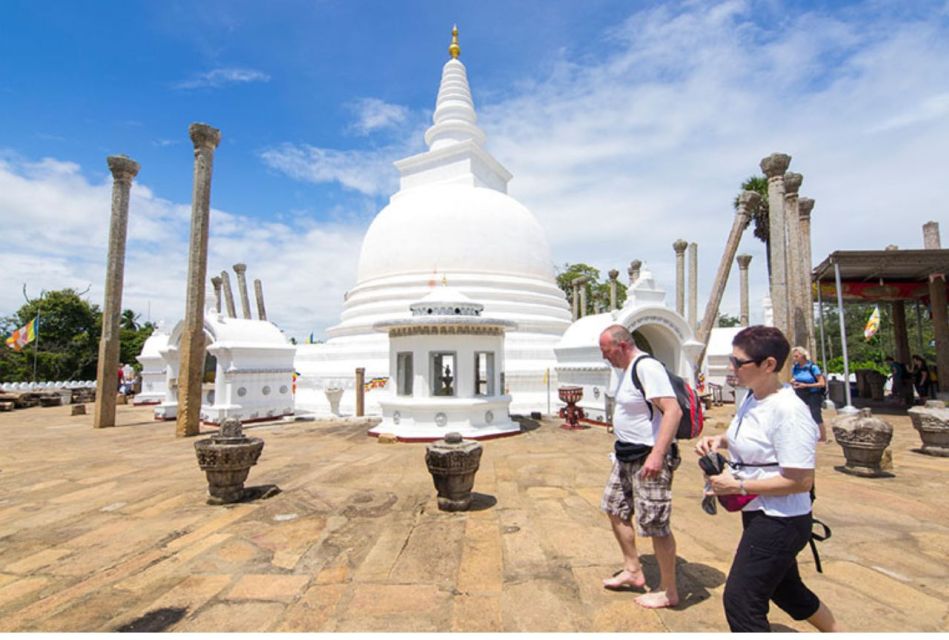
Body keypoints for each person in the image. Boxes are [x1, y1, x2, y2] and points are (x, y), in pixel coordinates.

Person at [696, 325, 838, 632]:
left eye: (739, 362)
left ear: (768, 365)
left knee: (742, 600)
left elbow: (801, 481)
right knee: (786, 589)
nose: (732, 368)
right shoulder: (752, 397)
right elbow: (756, 440)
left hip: (781, 519)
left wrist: (739, 485)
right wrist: (720, 440)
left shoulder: (789, 410)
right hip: (760, 511)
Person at [598, 324, 682, 609]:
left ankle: (669, 590)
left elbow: (673, 410)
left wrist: (657, 455)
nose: (605, 357)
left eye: (606, 351)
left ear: (621, 346)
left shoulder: (646, 368)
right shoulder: (624, 371)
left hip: (649, 459)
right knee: (614, 507)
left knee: (655, 523)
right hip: (625, 456)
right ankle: (633, 569)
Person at [790, 347, 827, 442]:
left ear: (802, 356)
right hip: (799, 393)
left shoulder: (812, 367)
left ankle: (822, 436)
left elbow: (822, 383)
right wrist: (794, 382)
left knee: (815, 414)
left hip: (813, 393)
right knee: (798, 414)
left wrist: (806, 385)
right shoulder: (795, 368)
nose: (794, 358)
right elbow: (795, 378)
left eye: (796, 356)